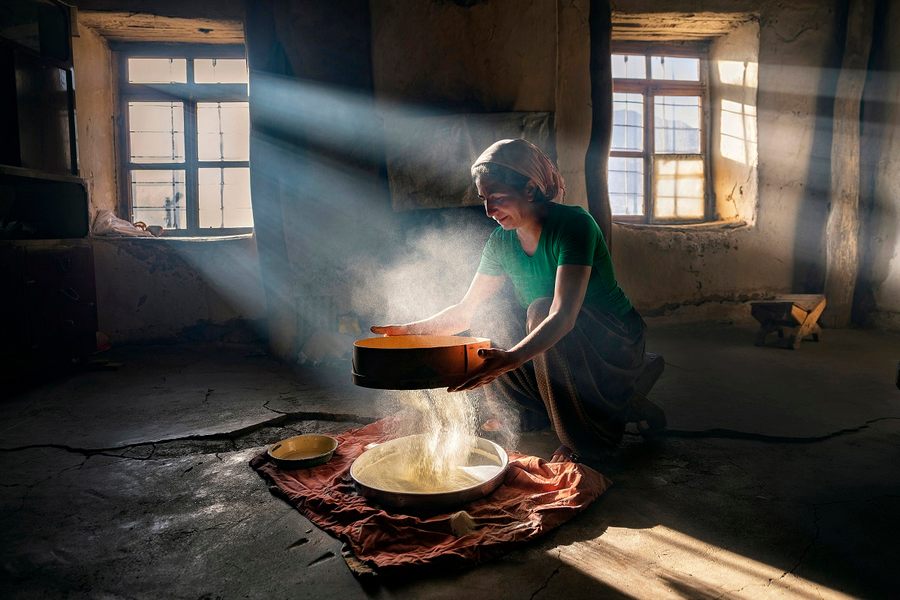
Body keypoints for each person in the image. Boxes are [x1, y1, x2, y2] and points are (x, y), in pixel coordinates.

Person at [372, 138, 664, 463]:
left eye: (496, 198)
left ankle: (584, 440)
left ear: (529, 189)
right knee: (491, 315)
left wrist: (510, 358)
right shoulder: (501, 243)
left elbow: (563, 314)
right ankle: (529, 413)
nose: (488, 210)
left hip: (614, 339)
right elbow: (464, 312)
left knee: (539, 309)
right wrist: (411, 332)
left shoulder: (573, 225)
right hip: (562, 343)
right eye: (484, 199)